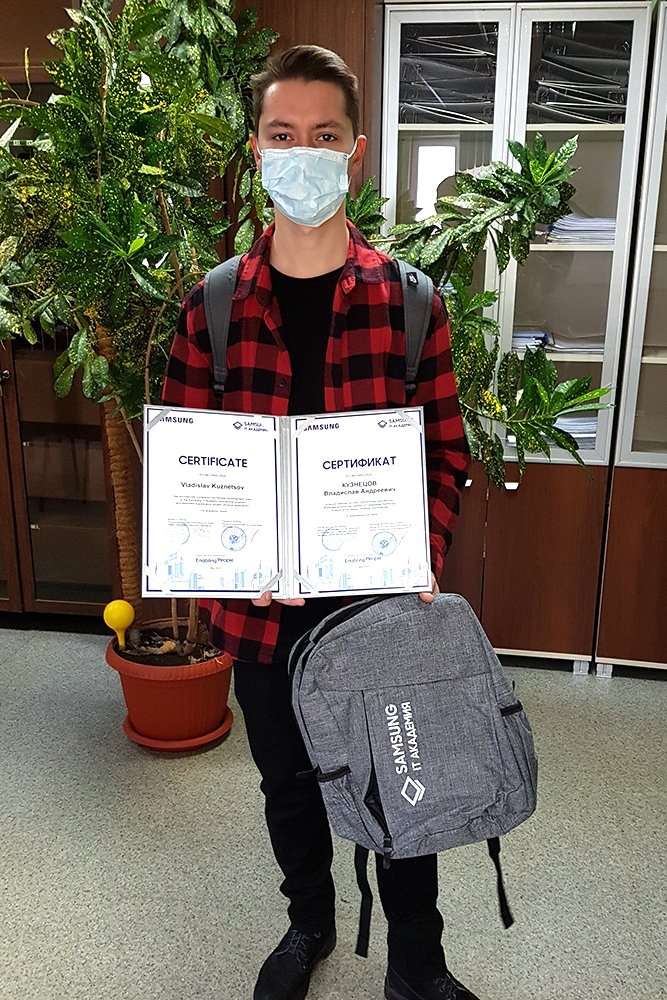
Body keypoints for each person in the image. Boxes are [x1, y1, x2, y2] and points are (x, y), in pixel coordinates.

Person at [162, 44, 476, 1000]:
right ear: (257, 150)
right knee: (288, 785)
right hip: (259, 613)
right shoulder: (211, 307)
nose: (303, 154)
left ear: (354, 152)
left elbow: (445, 454)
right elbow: (187, 473)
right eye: (282, 135)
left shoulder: (410, 303)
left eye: (324, 136)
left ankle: (416, 962)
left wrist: (419, 552)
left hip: (377, 607)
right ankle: (309, 924)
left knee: (401, 782)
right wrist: (220, 562)